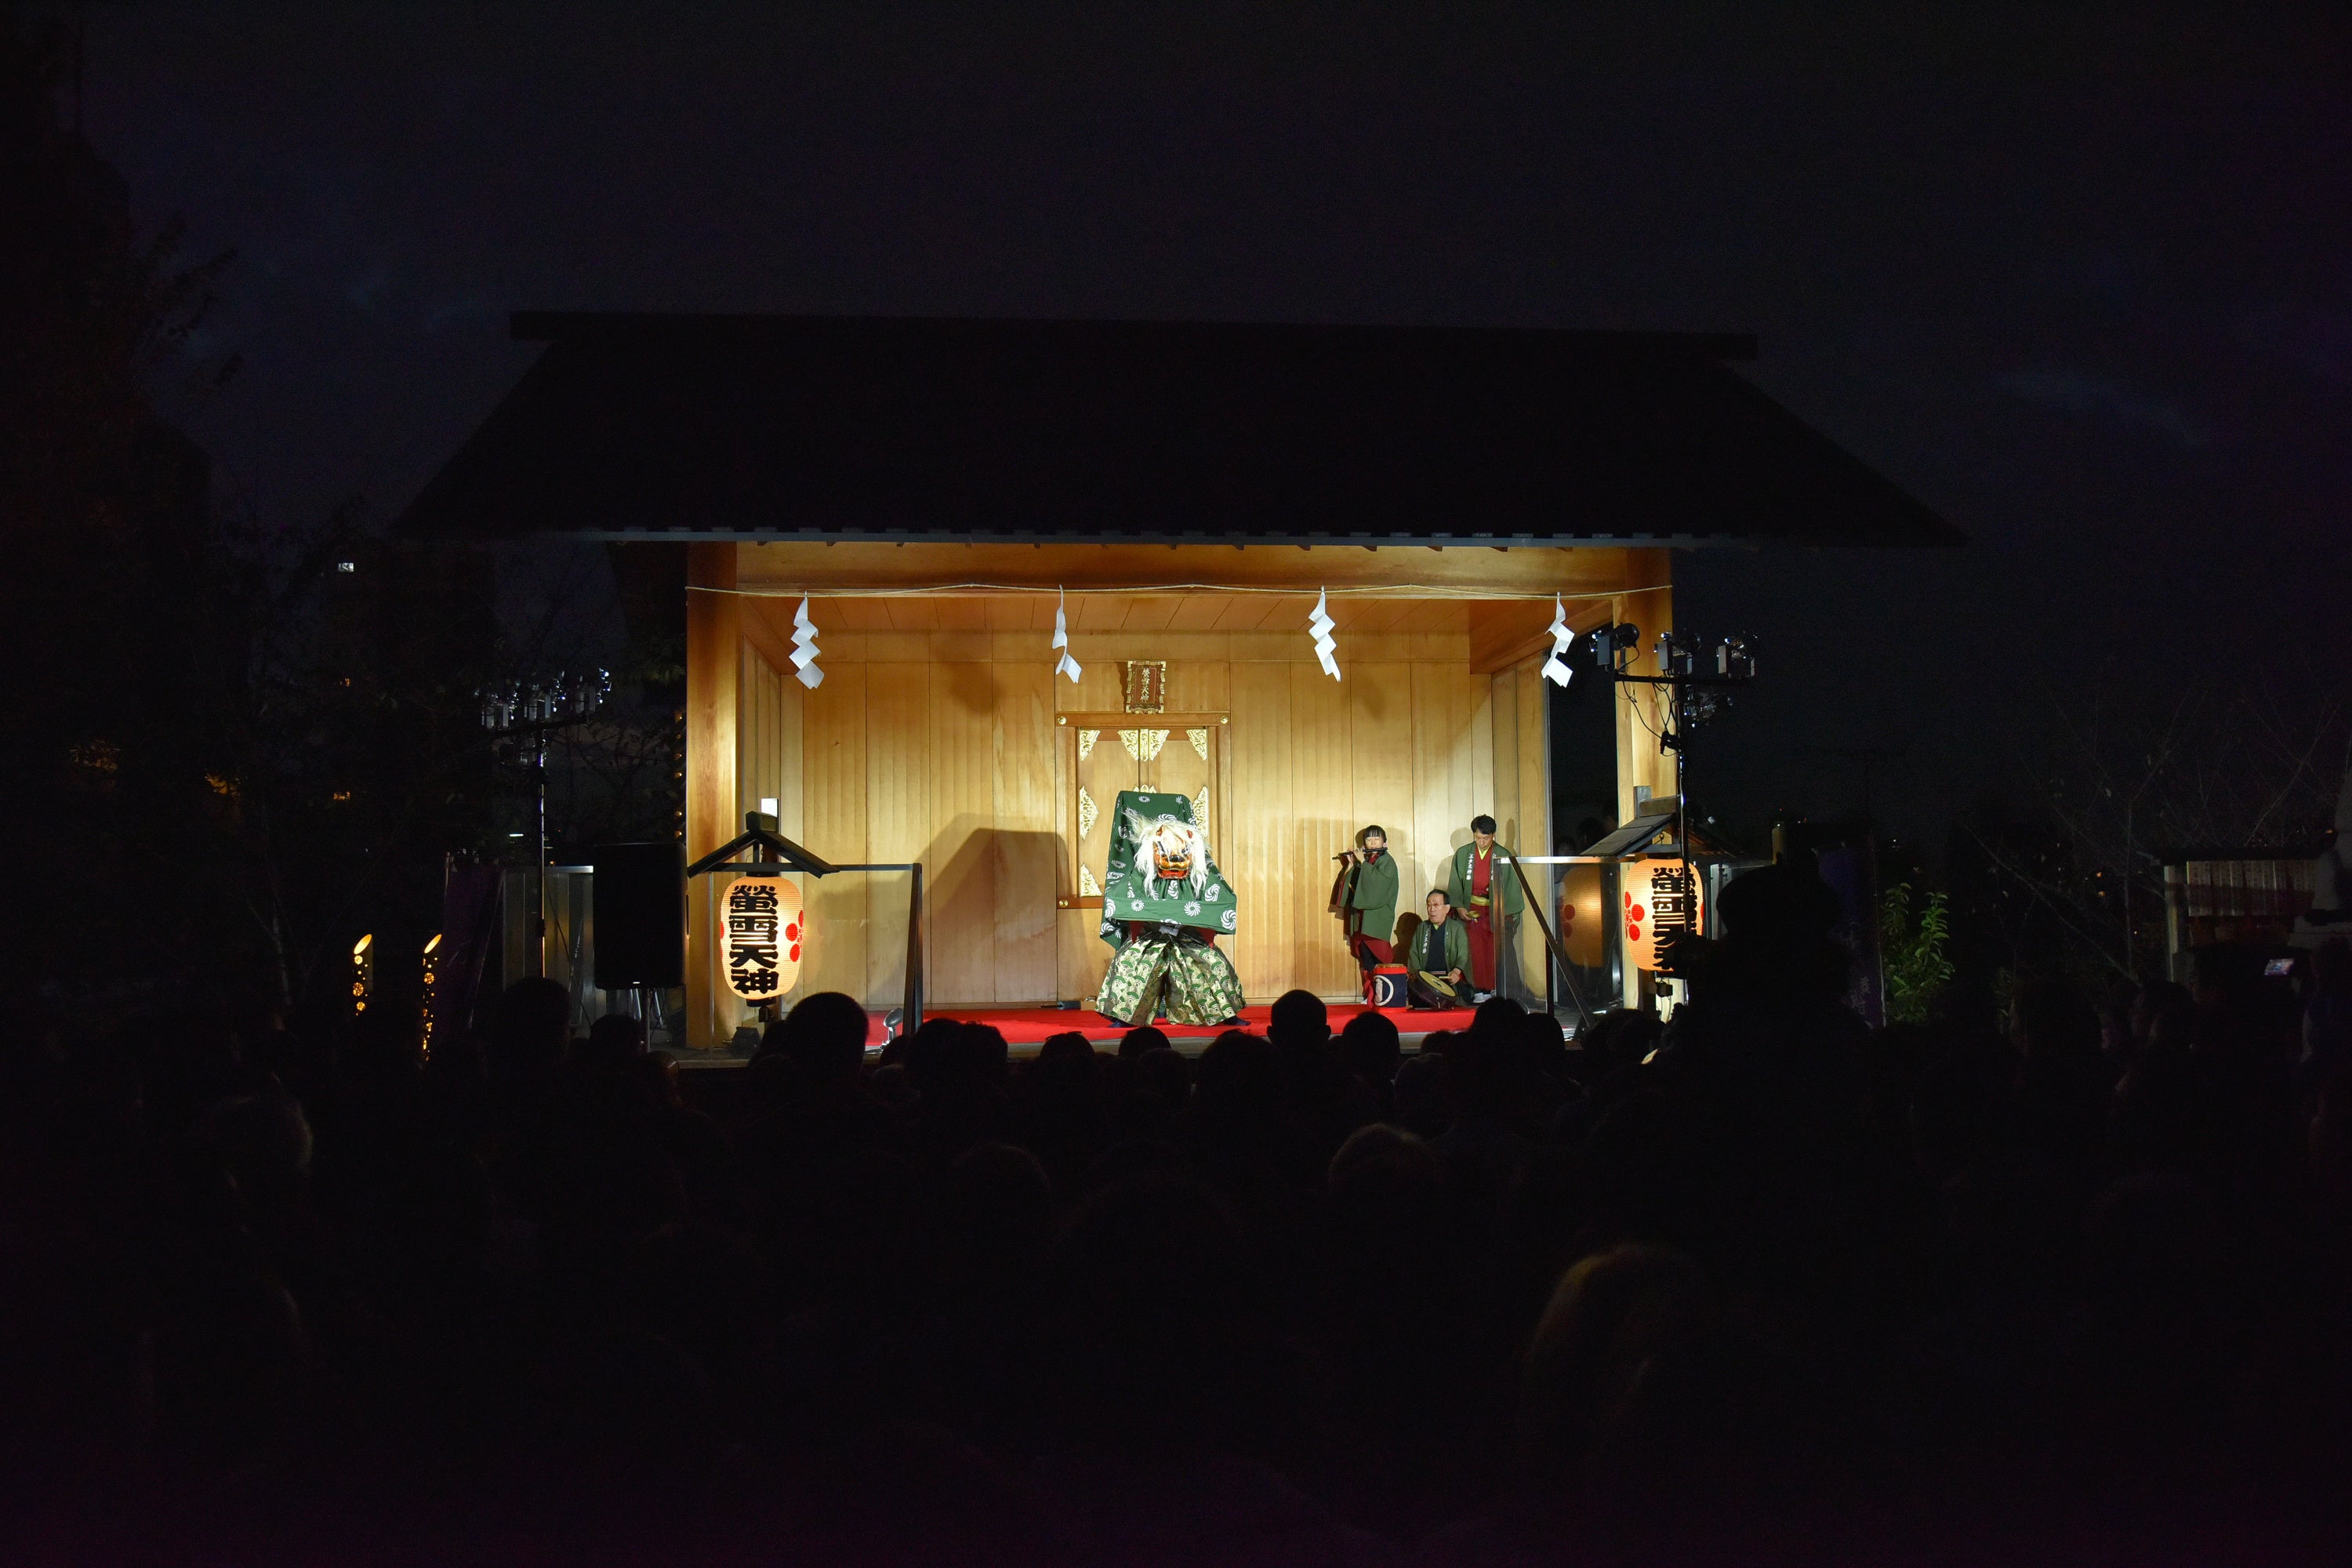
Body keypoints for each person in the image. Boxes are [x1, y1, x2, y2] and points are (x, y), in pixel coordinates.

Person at [1091, 791, 1246, 1026]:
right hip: (1149, 934)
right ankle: (1124, 1016)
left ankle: (1224, 1014)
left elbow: (1219, 901)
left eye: (1182, 852)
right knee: (1132, 961)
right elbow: (1124, 899)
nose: (1174, 859)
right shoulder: (1141, 874)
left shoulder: (1199, 877)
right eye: (1165, 851)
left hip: (1188, 934)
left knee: (1211, 962)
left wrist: (1193, 925)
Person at [1448, 813, 1523, 1003]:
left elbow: (1511, 887)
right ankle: (1478, 989)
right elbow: (1456, 883)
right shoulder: (1464, 853)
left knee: (1494, 950)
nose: (1482, 842)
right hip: (1471, 908)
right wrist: (1459, 906)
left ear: (1494, 836)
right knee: (1475, 950)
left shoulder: (1503, 854)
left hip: (1494, 911)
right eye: (1478, 838)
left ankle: (1496, 988)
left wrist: (1507, 915)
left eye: (1486, 838)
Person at [1332, 823, 1400, 970]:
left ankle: (1382, 992)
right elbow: (1352, 886)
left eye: (1377, 838)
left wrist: (1362, 862)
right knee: (1366, 964)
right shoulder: (1366, 861)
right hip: (1361, 922)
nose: (1373, 842)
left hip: (1377, 920)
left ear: (1384, 842)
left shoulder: (1387, 861)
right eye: (1369, 840)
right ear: (1364, 844)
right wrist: (1351, 865)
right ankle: (1371, 993)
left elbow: (1378, 885)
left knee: (1381, 962)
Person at [1406, 889, 1472, 1010]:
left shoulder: (1456, 928)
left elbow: (1463, 955)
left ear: (1447, 908)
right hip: (1425, 984)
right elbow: (1413, 954)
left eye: (1436, 905)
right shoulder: (1422, 927)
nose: (1432, 909)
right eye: (1429, 905)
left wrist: (1456, 972)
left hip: (1449, 981)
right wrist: (1419, 977)